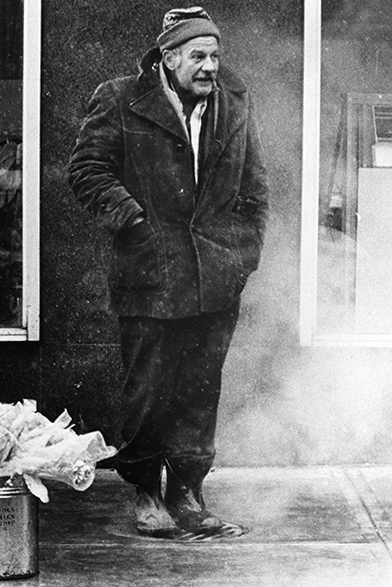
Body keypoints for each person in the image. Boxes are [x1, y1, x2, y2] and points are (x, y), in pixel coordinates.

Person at [68, 6, 269, 537]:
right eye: (199, 55)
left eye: (216, 54)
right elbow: (86, 170)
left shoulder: (234, 106)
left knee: (200, 391)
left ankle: (187, 490)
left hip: (216, 278)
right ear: (169, 56)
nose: (210, 66)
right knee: (149, 388)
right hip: (150, 276)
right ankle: (145, 490)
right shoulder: (119, 99)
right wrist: (135, 224)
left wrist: (242, 254)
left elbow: (255, 190)